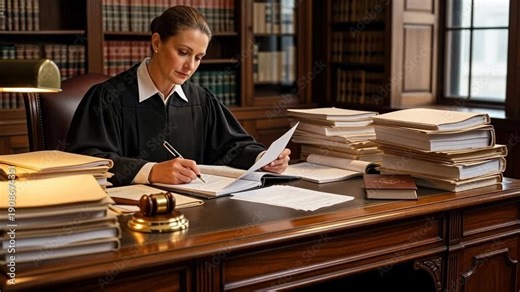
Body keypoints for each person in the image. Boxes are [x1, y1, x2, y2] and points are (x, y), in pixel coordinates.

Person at [66, 5, 290, 187]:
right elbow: (88, 161)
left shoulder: (201, 100)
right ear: (156, 43)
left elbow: (232, 146)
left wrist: (263, 159)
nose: (190, 66)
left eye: (198, 57)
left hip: (198, 213)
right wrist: (151, 171)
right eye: (183, 52)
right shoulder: (107, 98)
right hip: (132, 216)